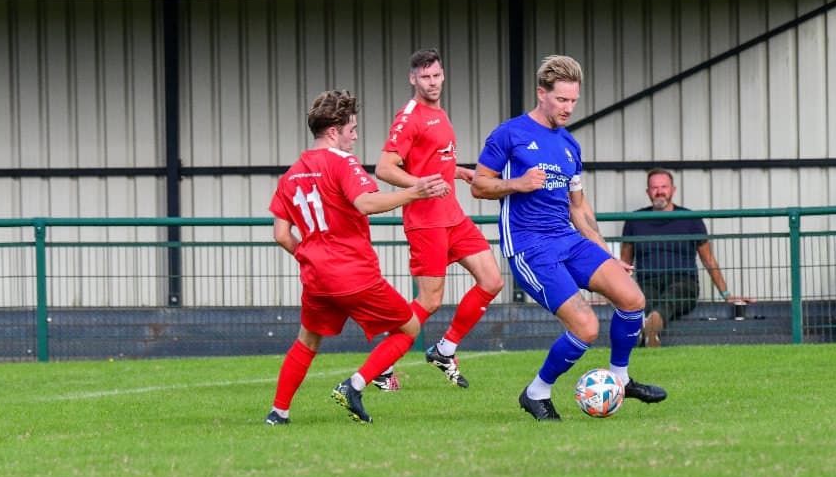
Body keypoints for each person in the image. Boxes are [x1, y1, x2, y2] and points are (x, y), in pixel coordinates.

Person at [471, 55, 667, 422]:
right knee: (586, 327)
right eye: (561, 99)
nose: (568, 108)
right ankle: (536, 392)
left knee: (632, 298)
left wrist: (606, 254)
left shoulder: (569, 145)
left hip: (567, 239)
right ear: (541, 93)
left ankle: (621, 379)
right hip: (530, 247)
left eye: (573, 100)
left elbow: (578, 207)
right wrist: (518, 183)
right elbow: (479, 185)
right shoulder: (509, 134)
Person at [264, 90, 449, 425]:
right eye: (352, 129)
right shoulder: (342, 162)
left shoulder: (291, 175)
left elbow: (280, 234)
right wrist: (414, 192)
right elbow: (364, 203)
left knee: (307, 341)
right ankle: (355, 385)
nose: (355, 136)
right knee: (409, 327)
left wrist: (309, 256)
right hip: (353, 273)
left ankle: (278, 413)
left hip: (316, 278)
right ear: (333, 131)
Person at [374, 48, 504, 390]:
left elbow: (431, 158)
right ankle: (383, 368)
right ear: (413, 79)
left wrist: (456, 171)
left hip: (453, 217)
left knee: (492, 280)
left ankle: (444, 350)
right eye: (425, 77)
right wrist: (420, 184)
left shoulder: (439, 113)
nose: (432, 82)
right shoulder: (409, 117)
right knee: (430, 300)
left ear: (443, 75)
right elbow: (384, 168)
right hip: (426, 220)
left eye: (436, 75)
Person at [620, 168, 750, 348]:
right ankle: (649, 329)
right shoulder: (634, 220)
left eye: (664, 187)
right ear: (648, 192)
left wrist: (727, 295)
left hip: (683, 281)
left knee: (672, 298)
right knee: (643, 299)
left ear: (673, 190)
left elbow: (708, 259)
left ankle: (650, 327)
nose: (659, 191)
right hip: (648, 281)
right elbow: (624, 263)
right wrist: (611, 296)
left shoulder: (690, 219)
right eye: (654, 187)